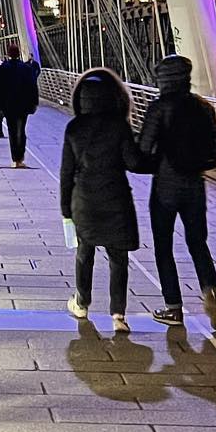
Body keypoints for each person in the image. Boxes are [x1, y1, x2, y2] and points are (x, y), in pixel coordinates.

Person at [138, 54, 216, 331]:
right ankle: (210, 290)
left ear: (162, 79)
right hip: (194, 185)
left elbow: (143, 147)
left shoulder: (158, 108)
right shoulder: (203, 107)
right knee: (198, 243)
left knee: (163, 246)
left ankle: (173, 308)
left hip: (165, 184)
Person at [60, 67, 150, 333]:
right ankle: (118, 315)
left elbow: (66, 172)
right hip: (116, 199)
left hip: (84, 199)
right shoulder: (119, 126)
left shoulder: (74, 127)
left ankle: (82, 302)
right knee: (118, 258)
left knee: (84, 253)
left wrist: (66, 208)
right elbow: (134, 163)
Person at [0, 47, 40, 167]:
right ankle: (21, 157)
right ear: (19, 54)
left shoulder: (2, 68)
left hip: (8, 105)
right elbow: (33, 86)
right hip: (23, 104)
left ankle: (15, 159)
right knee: (21, 129)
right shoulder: (26, 68)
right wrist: (35, 103)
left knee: (12, 130)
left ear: (8, 54)